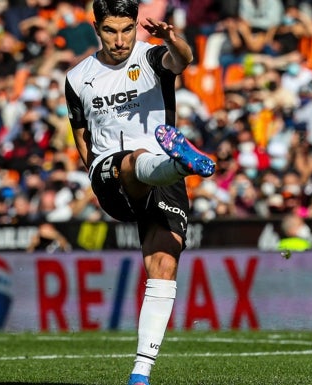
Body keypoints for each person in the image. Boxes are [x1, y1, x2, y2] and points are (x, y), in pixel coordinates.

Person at [64, 1, 215, 385]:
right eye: (111, 30)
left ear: (136, 26)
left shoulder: (151, 58)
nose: (120, 39)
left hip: (162, 175)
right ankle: (181, 161)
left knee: (164, 264)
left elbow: (185, 60)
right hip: (113, 171)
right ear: (96, 27)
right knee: (135, 160)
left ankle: (140, 374)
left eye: (127, 29)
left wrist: (172, 39)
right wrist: (93, 170)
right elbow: (80, 134)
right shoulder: (78, 77)